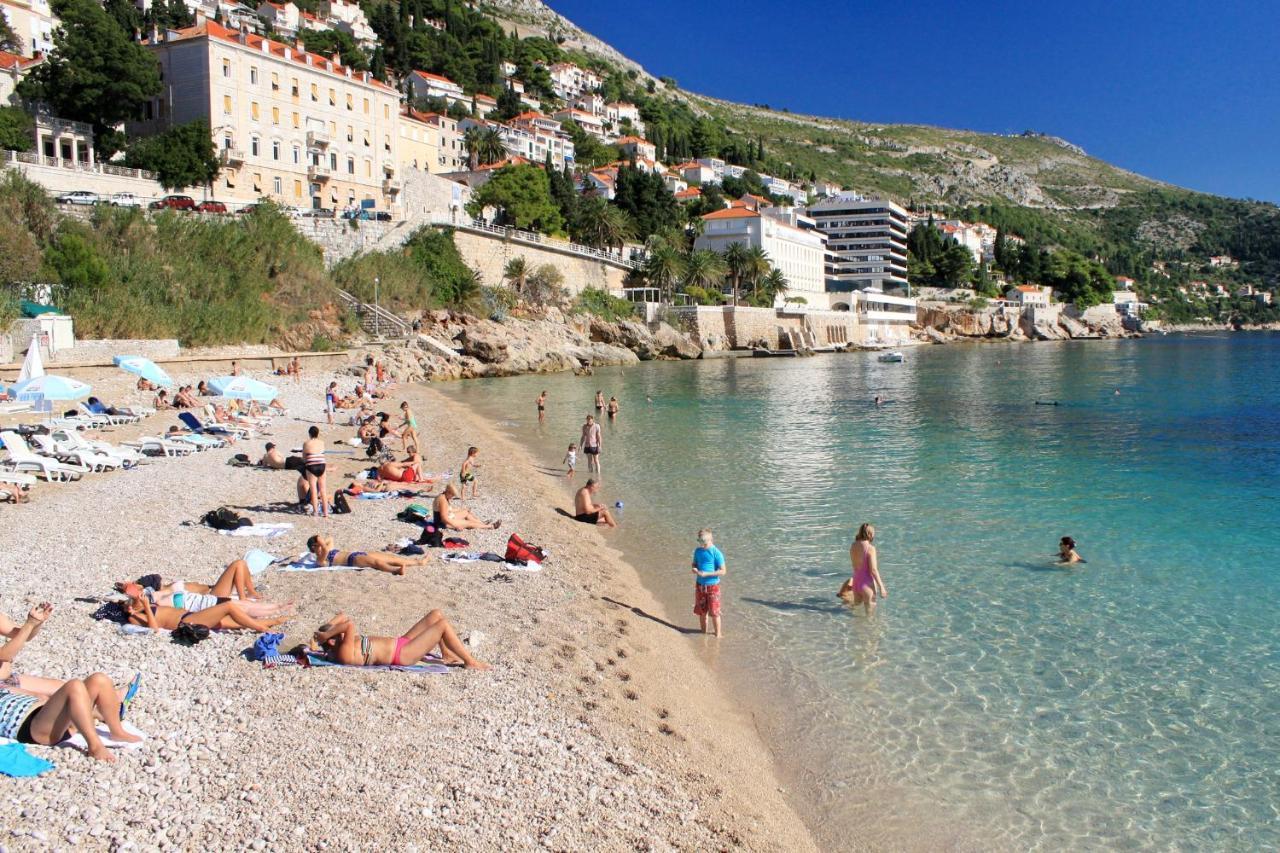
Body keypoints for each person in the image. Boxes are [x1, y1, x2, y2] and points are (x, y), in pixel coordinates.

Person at [0, 675, 140, 762]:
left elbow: (38, 696)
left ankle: (116, 731)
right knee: (74, 686)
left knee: (99, 680)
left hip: (49, 716)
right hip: (33, 729)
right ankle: (95, 745)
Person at [311, 610, 488, 670]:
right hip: (401, 655)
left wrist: (323, 631)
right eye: (337, 634)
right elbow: (348, 624)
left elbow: (342, 617)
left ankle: (447, 654)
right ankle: (470, 661)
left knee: (436, 614)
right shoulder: (343, 652)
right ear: (333, 642)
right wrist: (325, 636)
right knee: (442, 625)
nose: (343, 634)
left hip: (401, 642)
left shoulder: (341, 643)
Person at [125, 588, 287, 633]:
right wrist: (145, 607)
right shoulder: (135, 618)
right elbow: (154, 629)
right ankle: (262, 628)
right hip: (185, 623)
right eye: (137, 599)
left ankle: (275, 621)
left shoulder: (151, 606)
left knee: (235, 623)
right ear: (132, 607)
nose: (142, 598)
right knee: (228, 607)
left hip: (190, 616)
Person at [305, 535, 430, 576]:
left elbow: (330, 538)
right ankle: (396, 570)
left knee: (390, 557)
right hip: (352, 560)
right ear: (314, 548)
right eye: (318, 544)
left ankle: (418, 562)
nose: (322, 544)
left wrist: (319, 540)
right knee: (375, 563)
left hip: (356, 553)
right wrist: (319, 543)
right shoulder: (320, 559)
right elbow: (325, 549)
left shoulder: (326, 548)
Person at [839, 523, 888, 615]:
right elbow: (873, 570)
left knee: (856, 613)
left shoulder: (853, 546)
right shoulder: (870, 548)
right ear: (870, 534)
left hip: (856, 583)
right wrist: (882, 587)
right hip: (867, 584)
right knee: (870, 617)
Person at [691, 528, 726, 637]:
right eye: (699, 540)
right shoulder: (698, 551)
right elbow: (694, 564)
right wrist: (694, 569)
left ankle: (718, 635)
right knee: (702, 612)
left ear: (710, 539)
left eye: (703, 540)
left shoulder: (716, 553)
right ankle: (703, 634)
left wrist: (706, 574)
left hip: (713, 586)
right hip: (700, 585)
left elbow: (723, 571)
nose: (702, 543)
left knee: (715, 612)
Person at [433, 484, 500, 530]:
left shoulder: (443, 496)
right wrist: (454, 526)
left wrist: (462, 509)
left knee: (466, 512)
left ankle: (481, 523)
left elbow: (449, 510)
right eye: (452, 495)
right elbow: (444, 518)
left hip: (449, 516)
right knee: (468, 523)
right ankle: (490, 526)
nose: (452, 497)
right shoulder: (443, 500)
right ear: (448, 492)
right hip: (443, 523)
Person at [301, 425, 328, 517]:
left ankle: (316, 512)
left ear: (309, 434)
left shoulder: (306, 443)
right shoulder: (322, 442)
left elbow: (304, 459)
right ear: (318, 434)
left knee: (313, 489)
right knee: (323, 490)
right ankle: (325, 512)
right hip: (322, 465)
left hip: (312, 466)